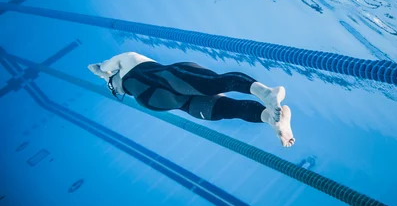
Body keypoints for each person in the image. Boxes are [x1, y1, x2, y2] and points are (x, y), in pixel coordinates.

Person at [88, 52, 295, 147]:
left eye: (111, 88)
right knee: (228, 110)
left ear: (112, 76)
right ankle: (270, 118)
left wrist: (103, 70)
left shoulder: (126, 62)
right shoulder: (126, 83)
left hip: (169, 78)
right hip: (182, 103)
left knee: (215, 83)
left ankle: (266, 92)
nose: (116, 91)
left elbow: (102, 68)